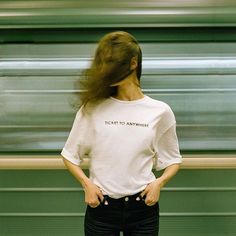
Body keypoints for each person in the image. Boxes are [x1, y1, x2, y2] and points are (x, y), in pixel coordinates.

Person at [61, 31, 182, 236]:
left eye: (111, 64)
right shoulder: (92, 108)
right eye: (103, 64)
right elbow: (69, 155)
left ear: (133, 63)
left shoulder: (160, 111)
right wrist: (86, 184)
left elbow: (173, 160)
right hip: (102, 211)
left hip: (143, 210)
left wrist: (159, 183)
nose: (105, 71)